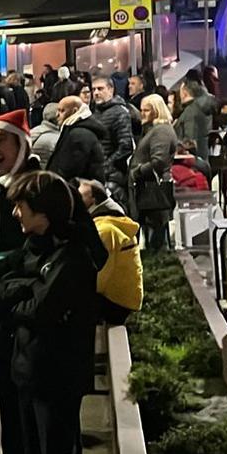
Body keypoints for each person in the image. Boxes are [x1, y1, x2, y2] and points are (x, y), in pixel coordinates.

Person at [0, 172, 102, 454]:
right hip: (28, 372)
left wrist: (22, 295)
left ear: (45, 211)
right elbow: (5, 284)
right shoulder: (40, 250)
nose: (15, 212)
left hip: (55, 377)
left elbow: (40, 309)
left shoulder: (73, 257)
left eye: (22, 206)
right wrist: (27, 286)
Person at [77, 179, 143, 325]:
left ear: (93, 199)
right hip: (125, 299)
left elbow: (100, 277)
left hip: (116, 302)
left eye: (80, 196)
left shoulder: (104, 230)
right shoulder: (112, 220)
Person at [129, 96, 179, 251]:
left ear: (156, 111)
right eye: (142, 110)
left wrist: (137, 172)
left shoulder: (161, 131)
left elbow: (159, 161)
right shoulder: (154, 130)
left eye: (146, 110)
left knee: (157, 239)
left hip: (153, 191)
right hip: (150, 190)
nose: (142, 113)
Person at [87, 79, 137, 192]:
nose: (96, 93)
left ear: (111, 90)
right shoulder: (95, 113)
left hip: (112, 176)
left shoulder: (120, 112)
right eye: (93, 89)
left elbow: (125, 146)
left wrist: (106, 166)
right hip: (98, 174)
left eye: (100, 89)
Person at [44, 96, 106, 185]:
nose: (57, 114)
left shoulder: (79, 135)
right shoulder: (75, 130)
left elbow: (71, 169)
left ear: (74, 111)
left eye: (62, 111)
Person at [173, 78, 218, 152]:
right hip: (201, 156)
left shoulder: (191, 111)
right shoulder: (202, 108)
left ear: (185, 93)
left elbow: (190, 141)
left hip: (190, 159)